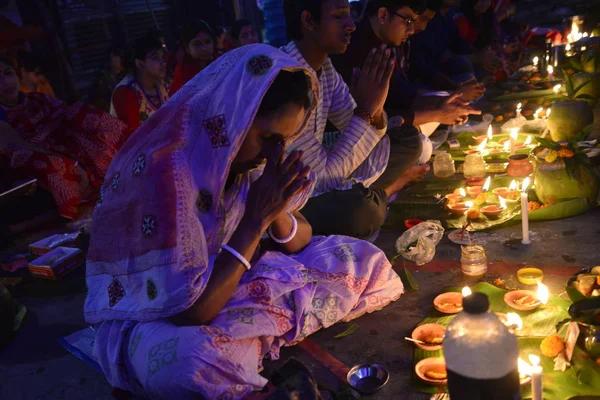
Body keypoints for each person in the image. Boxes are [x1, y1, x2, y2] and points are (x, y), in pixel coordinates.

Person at [84, 44, 404, 399]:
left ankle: (255, 338)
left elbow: (301, 240)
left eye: (283, 141)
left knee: (365, 259)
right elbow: (192, 312)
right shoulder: (168, 171)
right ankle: (253, 339)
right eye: (267, 138)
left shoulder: (244, 157)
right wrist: (255, 220)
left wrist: (274, 207)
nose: (274, 152)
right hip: (159, 313)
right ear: (233, 117)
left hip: (230, 279)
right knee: (193, 361)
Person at [281, 0, 430, 239]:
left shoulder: (325, 67)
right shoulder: (287, 78)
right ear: (309, 21)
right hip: (297, 196)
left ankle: (372, 192)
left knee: (410, 140)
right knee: (361, 211)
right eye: (339, 17)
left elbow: (362, 127)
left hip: (329, 166)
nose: (351, 25)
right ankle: (389, 189)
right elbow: (323, 180)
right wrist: (367, 111)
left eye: (350, 15)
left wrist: (376, 109)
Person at [0, 56, 130, 220]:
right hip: (30, 154)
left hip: (59, 140)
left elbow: (65, 114)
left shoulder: (38, 99)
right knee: (53, 162)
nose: (5, 81)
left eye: (7, 73)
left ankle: (129, 167)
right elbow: (15, 144)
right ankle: (79, 212)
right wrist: (63, 156)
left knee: (82, 113)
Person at [332, 0, 482, 129]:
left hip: (380, 126)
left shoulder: (385, 45)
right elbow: (364, 120)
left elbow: (402, 94)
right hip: (355, 137)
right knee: (413, 142)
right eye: (408, 21)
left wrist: (444, 103)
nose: (412, 30)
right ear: (383, 15)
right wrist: (438, 113)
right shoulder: (356, 49)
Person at [409, 0, 502, 87]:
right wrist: (455, 88)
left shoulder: (446, 18)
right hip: (424, 82)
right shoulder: (426, 19)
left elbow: (461, 45)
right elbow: (427, 65)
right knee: (464, 64)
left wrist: (486, 56)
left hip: (443, 74)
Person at [110, 34, 169, 131]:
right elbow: (133, 137)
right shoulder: (125, 92)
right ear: (140, 64)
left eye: (162, 57)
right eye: (156, 58)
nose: (163, 62)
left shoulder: (162, 84)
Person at [169, 21, 216, 96]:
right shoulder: (182, 72)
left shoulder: (222, 62)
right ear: (187, 48)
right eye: (197, 44)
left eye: (208, 42)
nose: (204, 48)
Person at [90, 45, 126, 111]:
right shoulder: (101, 77)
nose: (124, 61)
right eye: (122, 57)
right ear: (112, 56)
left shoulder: (122, 75)